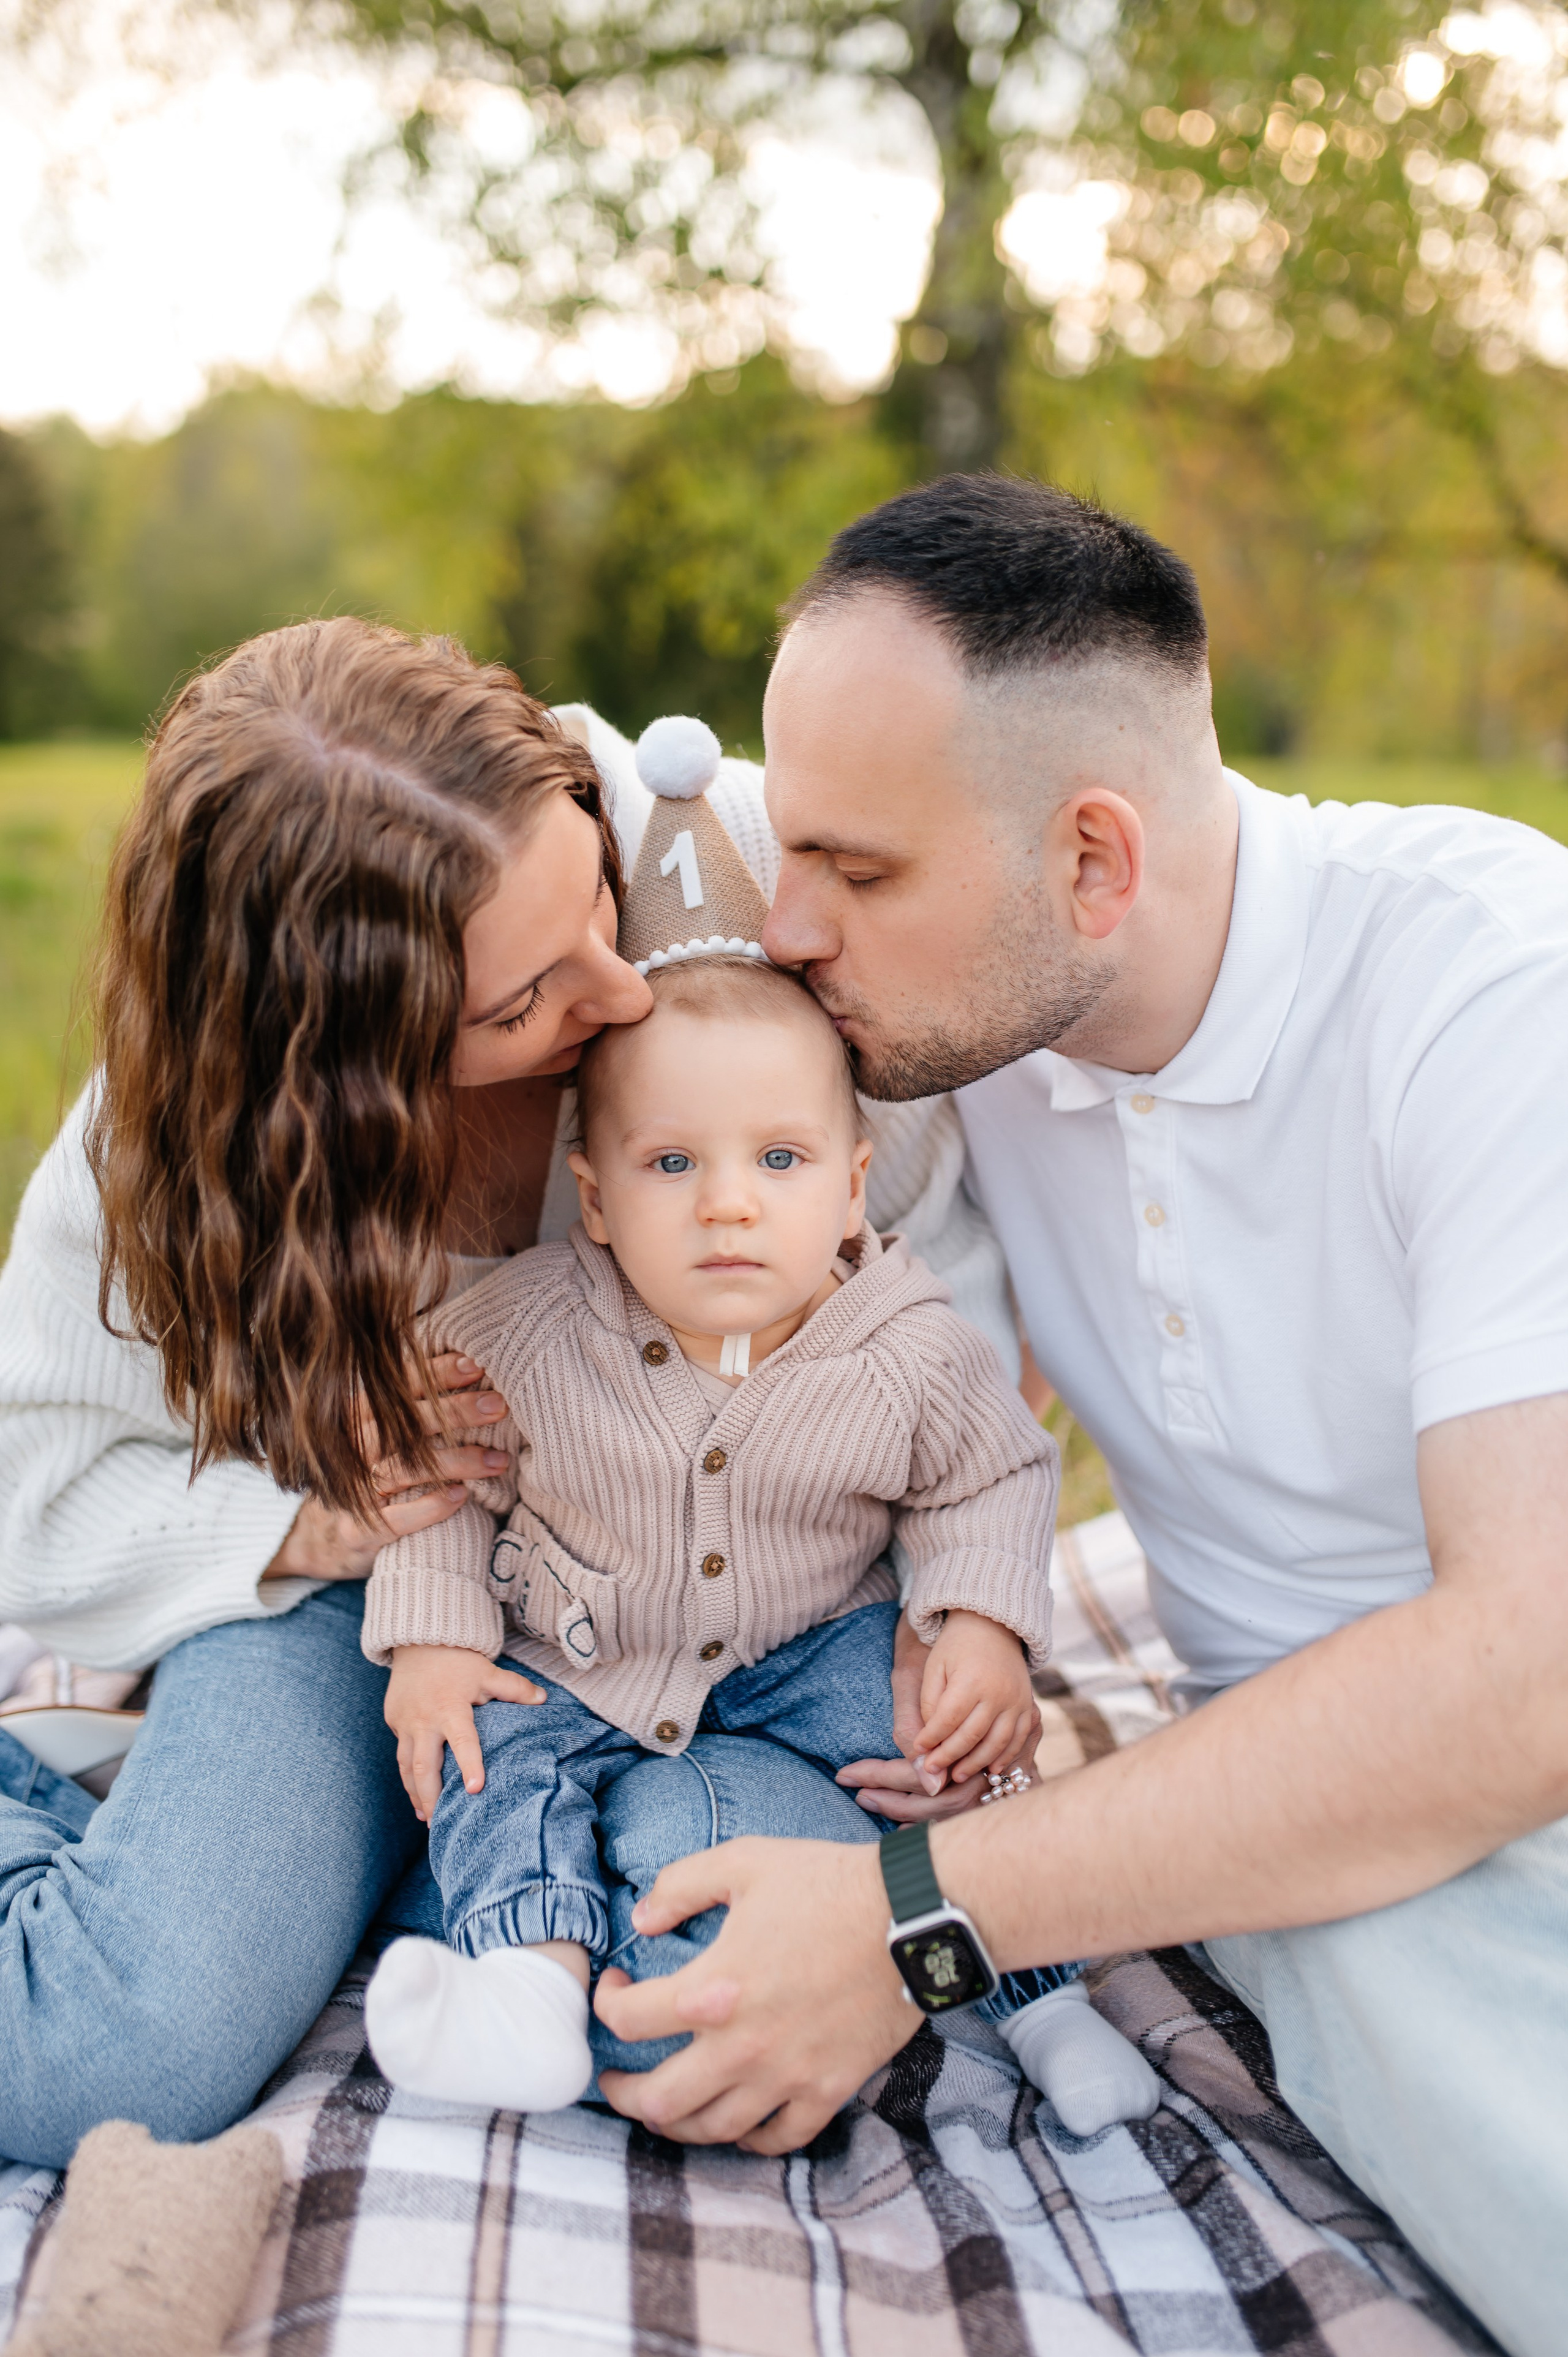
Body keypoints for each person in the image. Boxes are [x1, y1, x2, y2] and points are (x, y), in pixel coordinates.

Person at [589, 477, 1568, 2357]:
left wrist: (916, 1917)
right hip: (1313, 1833)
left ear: (1095, 866)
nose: (790, 931)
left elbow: (1522, 1684)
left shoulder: (1490, 998)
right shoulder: (950, 1041)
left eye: (858, 875)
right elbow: (541, 780)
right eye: (798, 849)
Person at [0, 617, 997, 2169]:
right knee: (111, 2052)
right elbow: (41, 1497)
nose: (621, 988)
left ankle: (376, 1880)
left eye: (591, 898)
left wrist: (949, 1603)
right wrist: (317, 1523)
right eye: (524, 999)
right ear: (339, 1073)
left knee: (709, 2022)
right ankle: (268, 1860)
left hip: (760, 1626)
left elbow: (942, 1277)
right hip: (389, 1618)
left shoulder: (729, 870)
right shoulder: (180, 1132)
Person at [355, 741, 1160, 2130]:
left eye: (778, 1163)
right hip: (584, 1656)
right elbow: (445, 1488)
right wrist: (434, 1641)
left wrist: (974, 1626)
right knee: (493, 1768)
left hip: (812, 1648)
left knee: (946, 1753)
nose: (729, 1205)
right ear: (594, 1197)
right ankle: (530, 1991)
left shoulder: (902, 1340)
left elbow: (992, 1474)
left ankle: (1047, 2002)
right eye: (673, 1164)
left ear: (852, 1188)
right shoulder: (522, 1327)